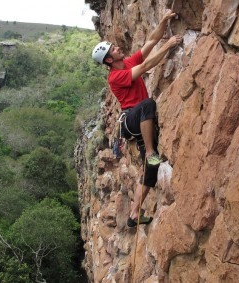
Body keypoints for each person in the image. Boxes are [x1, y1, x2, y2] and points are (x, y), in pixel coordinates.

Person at [92, 10, 182, 228]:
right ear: (109, 59)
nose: (118, 48)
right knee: (147, 104)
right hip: (131, 120)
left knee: (150, 172)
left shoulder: (128, 62)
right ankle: (151, 152)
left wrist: (163, 20)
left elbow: (151, 41)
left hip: (141, 122)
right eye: (113, 49)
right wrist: (169, 46)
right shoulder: (116, 76)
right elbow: (146, 67)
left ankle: (134, 214)